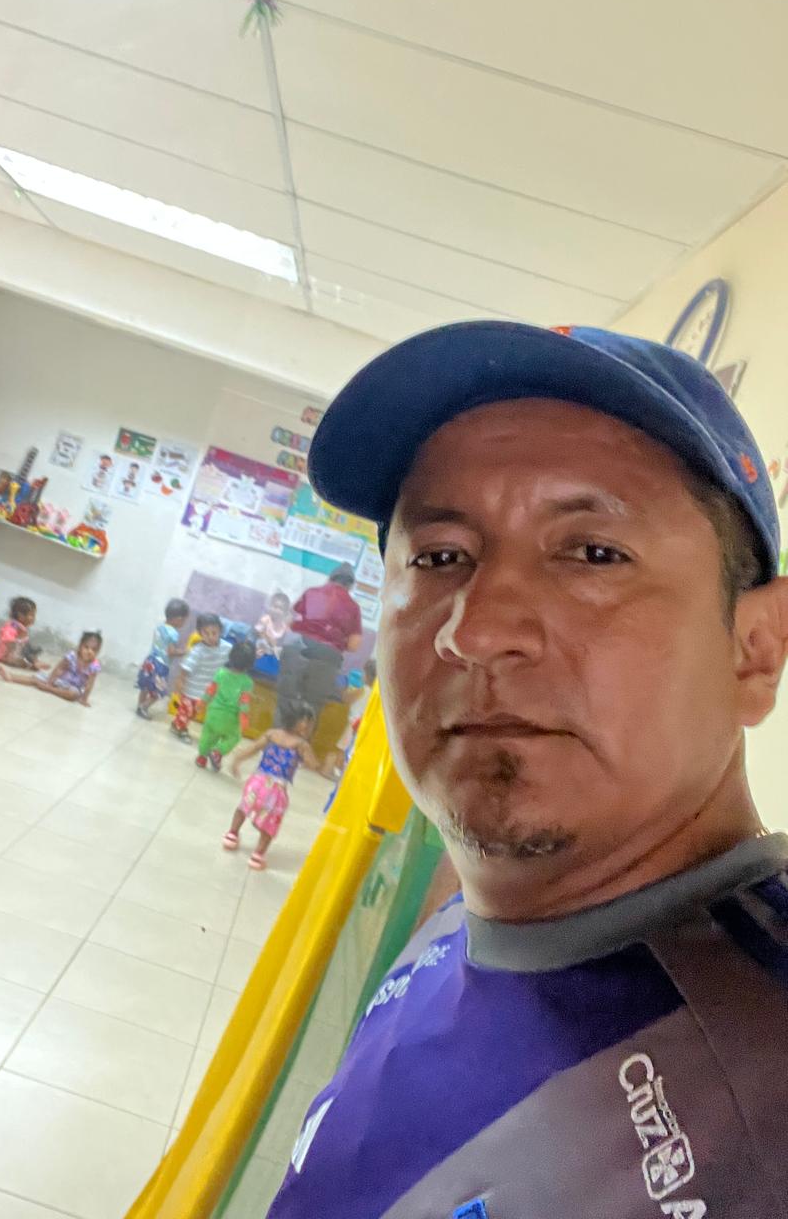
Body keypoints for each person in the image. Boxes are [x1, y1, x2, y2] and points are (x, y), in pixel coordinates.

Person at [268, 320, 788, 1217]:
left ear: (754, 649)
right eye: (439, 557)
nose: (474, 630)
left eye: (592, 554)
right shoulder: (463, 927)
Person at [225, 700, 318, 870]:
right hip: (276, 790)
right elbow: (313, 765)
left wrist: (237, 760)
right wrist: (311, 757)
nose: (310, 727)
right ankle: (258, 855)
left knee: (243, 808)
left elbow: (253, 748)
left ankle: (232, 834)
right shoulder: (301, 745)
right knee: (271, 822)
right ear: (301, 724)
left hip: (257, 781)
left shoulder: (271, 734)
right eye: (309, 724)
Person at [275, 564, 362, 727]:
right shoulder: (353, 607)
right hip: (327, 657)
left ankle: (276, 741)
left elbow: (290, 621)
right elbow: (354, 645)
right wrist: (334, 641)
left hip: (298, 647)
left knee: (286, 699)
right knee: (312, 707)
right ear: (350, 586)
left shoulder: (311, 592)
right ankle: (300, 742)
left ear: (330, 578)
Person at [0, 630, 102, 706]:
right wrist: (50, 681)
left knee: (73, 695)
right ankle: (11, 677)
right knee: (34, 678)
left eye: (94, 650)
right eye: (86, 647)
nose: (89, 651)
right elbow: (59, 669)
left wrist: (84, 699)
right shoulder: (72, 656)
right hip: (59, 679)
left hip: (73, 687)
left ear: (98, 651)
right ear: (80, 646)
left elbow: (89, 684)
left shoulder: (94, 666)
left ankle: (49, 689)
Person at [195, 640, 255, 771]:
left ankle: (202, 758)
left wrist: (202, 703)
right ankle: (217, 752)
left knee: (208, 736)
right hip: (231, 719)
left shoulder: (220, 673)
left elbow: (210, 691)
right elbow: (244, 703)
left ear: (231, 656)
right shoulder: (247, 682)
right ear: (250, 664)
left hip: (213, 714)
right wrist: (244, 718)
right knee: (234, 737)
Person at [170, 613, 229, 742]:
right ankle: (181, 729)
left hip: (206, 691)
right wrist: (178, 689)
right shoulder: (197, 651)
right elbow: (183, 672)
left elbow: (236, 658)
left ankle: (176, 724)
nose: (210, 637)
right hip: (190, 690)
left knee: (194, 713)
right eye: (206, 633)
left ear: (220, 631)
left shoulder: (227, 648)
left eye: (214, 633)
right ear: (200, 633)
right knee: (187, 711)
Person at [322, 658, 377, 780]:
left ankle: (329, 769)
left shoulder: (363, 690)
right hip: (360, 724)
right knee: (346, 748)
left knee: (339, 747)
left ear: (367, 675)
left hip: (351, 723)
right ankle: (339, 771)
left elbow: (346, 699)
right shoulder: (375, 694)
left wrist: (345, 689)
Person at [136, 597, 189, 718]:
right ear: (178, 619)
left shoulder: (160, 627)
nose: (183, 624)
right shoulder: (173, 633)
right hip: (161, 665)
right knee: (159, 691)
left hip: (150, 660)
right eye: (184, 621)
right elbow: (171, 652)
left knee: (145, 686)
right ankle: (144, 707)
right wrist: (183, 652)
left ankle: (139, 705)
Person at [0, 596, 48, 670]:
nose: (34, 618)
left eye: (34, 615)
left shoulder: (20, 627)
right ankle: (32, 665)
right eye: (32, 615)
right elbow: (7, 640)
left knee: (28, 651)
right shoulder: (13, 626)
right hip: (4, 655)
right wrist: (19, 640)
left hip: (14, 653)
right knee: (23, 661)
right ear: (21, 616)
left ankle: (35, 662)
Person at [255, 590, 292, 660]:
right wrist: (269, 640)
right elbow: (257, 632)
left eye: (281, 609)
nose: (276, 610)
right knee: (260, 653)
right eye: (275, 607)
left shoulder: (283, 624)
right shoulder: (266, 620)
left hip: (274, 650)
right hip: (262, 646)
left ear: (285, 612)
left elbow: (283, 640)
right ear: (270, 606)